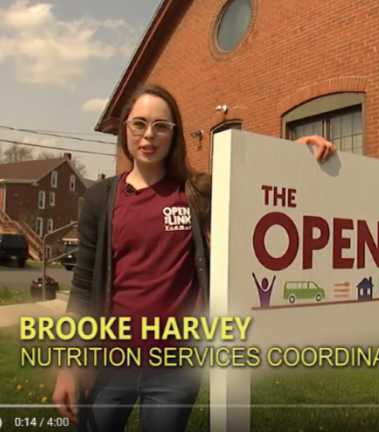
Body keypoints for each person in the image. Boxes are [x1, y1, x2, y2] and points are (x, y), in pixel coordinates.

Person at [51, 83, 337, 432]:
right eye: (139, 124)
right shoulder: (100, 198)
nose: (149, 135)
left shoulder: (196, 193)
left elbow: (252, 187)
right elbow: (82, 287)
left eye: (161, 126)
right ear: (125, 128)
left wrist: (292, 153)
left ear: (174, 134)